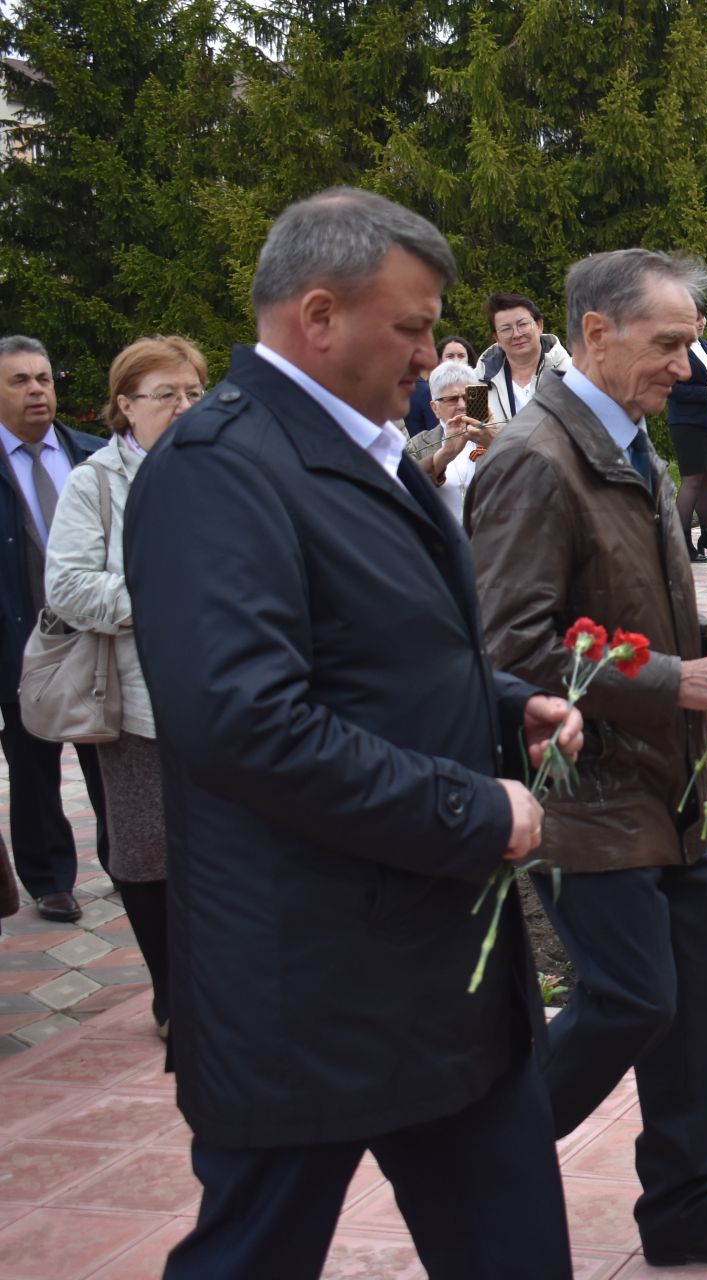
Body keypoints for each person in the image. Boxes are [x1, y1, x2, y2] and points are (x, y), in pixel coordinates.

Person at [122, 187, 579, 1279]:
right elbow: (243, 721)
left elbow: (388, 653)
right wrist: (473, 808)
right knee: (254, 1253)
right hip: (309, 985)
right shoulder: (220, 467)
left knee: (513, 1250)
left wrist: (508, 707)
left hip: (433, 970)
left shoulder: (363, 444)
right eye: (412, 326)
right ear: (317, 316)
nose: (433, 355)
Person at [466, 249, 707, 1272]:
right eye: (668, 343)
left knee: (695, 1007)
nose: (688, 363)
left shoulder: (629, 443)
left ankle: (686, 1205)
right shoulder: (535, 457)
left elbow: (628, 608)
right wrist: (673, 680)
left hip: (667, 776)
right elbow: (510, 652)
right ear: (595, 333)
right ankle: (484, 1156)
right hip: (588, 782)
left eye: (692, 340)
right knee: (635, 995)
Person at [43, 336, 206, 1038]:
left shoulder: (222, 470)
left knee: (229, 849)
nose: (183, 406)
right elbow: (69, 587)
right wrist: (166, 595)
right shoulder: (96, 482)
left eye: (195, 392)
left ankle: (224, 985)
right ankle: (172, 995)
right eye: (165, 394)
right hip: (136, 699)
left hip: (229, 696)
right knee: (147, 853)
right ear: (124, 406)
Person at [0, 334, 110, 925]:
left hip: (95, 637)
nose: (37, 390)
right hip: (19, 642)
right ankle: (51, 880)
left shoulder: (92, 456)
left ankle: (123, 862)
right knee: (33, 762)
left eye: (43, 378)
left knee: (106, 753)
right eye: (20, 380)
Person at [665, 300, 707, 563]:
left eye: (703, 317)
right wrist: (704, 392)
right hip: (688, 424)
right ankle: (682, 542)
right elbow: (670, 388)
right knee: (692, 480)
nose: (701, 322)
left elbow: (706, 377)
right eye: (695, 318)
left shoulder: (703, 345)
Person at [416, 358, 493, 521]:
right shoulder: (419, 444)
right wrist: (446, 454)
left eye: (467, 397)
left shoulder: (496, 434)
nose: (461, 405)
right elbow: (407, 486)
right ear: (434, 408)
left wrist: (494, 442)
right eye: (452, 399)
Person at [478, 292, 570, 425]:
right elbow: (476, 436)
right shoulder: (479, 381)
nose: (516, 334)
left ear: (539, 325)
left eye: (522, 324)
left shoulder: (572, 372)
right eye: (506, 329)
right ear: (496, 338)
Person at [403, 334, 476, 438]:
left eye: (461, 356)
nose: (456, 360)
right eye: (450, 356)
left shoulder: (483, 385)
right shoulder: (425, 390)